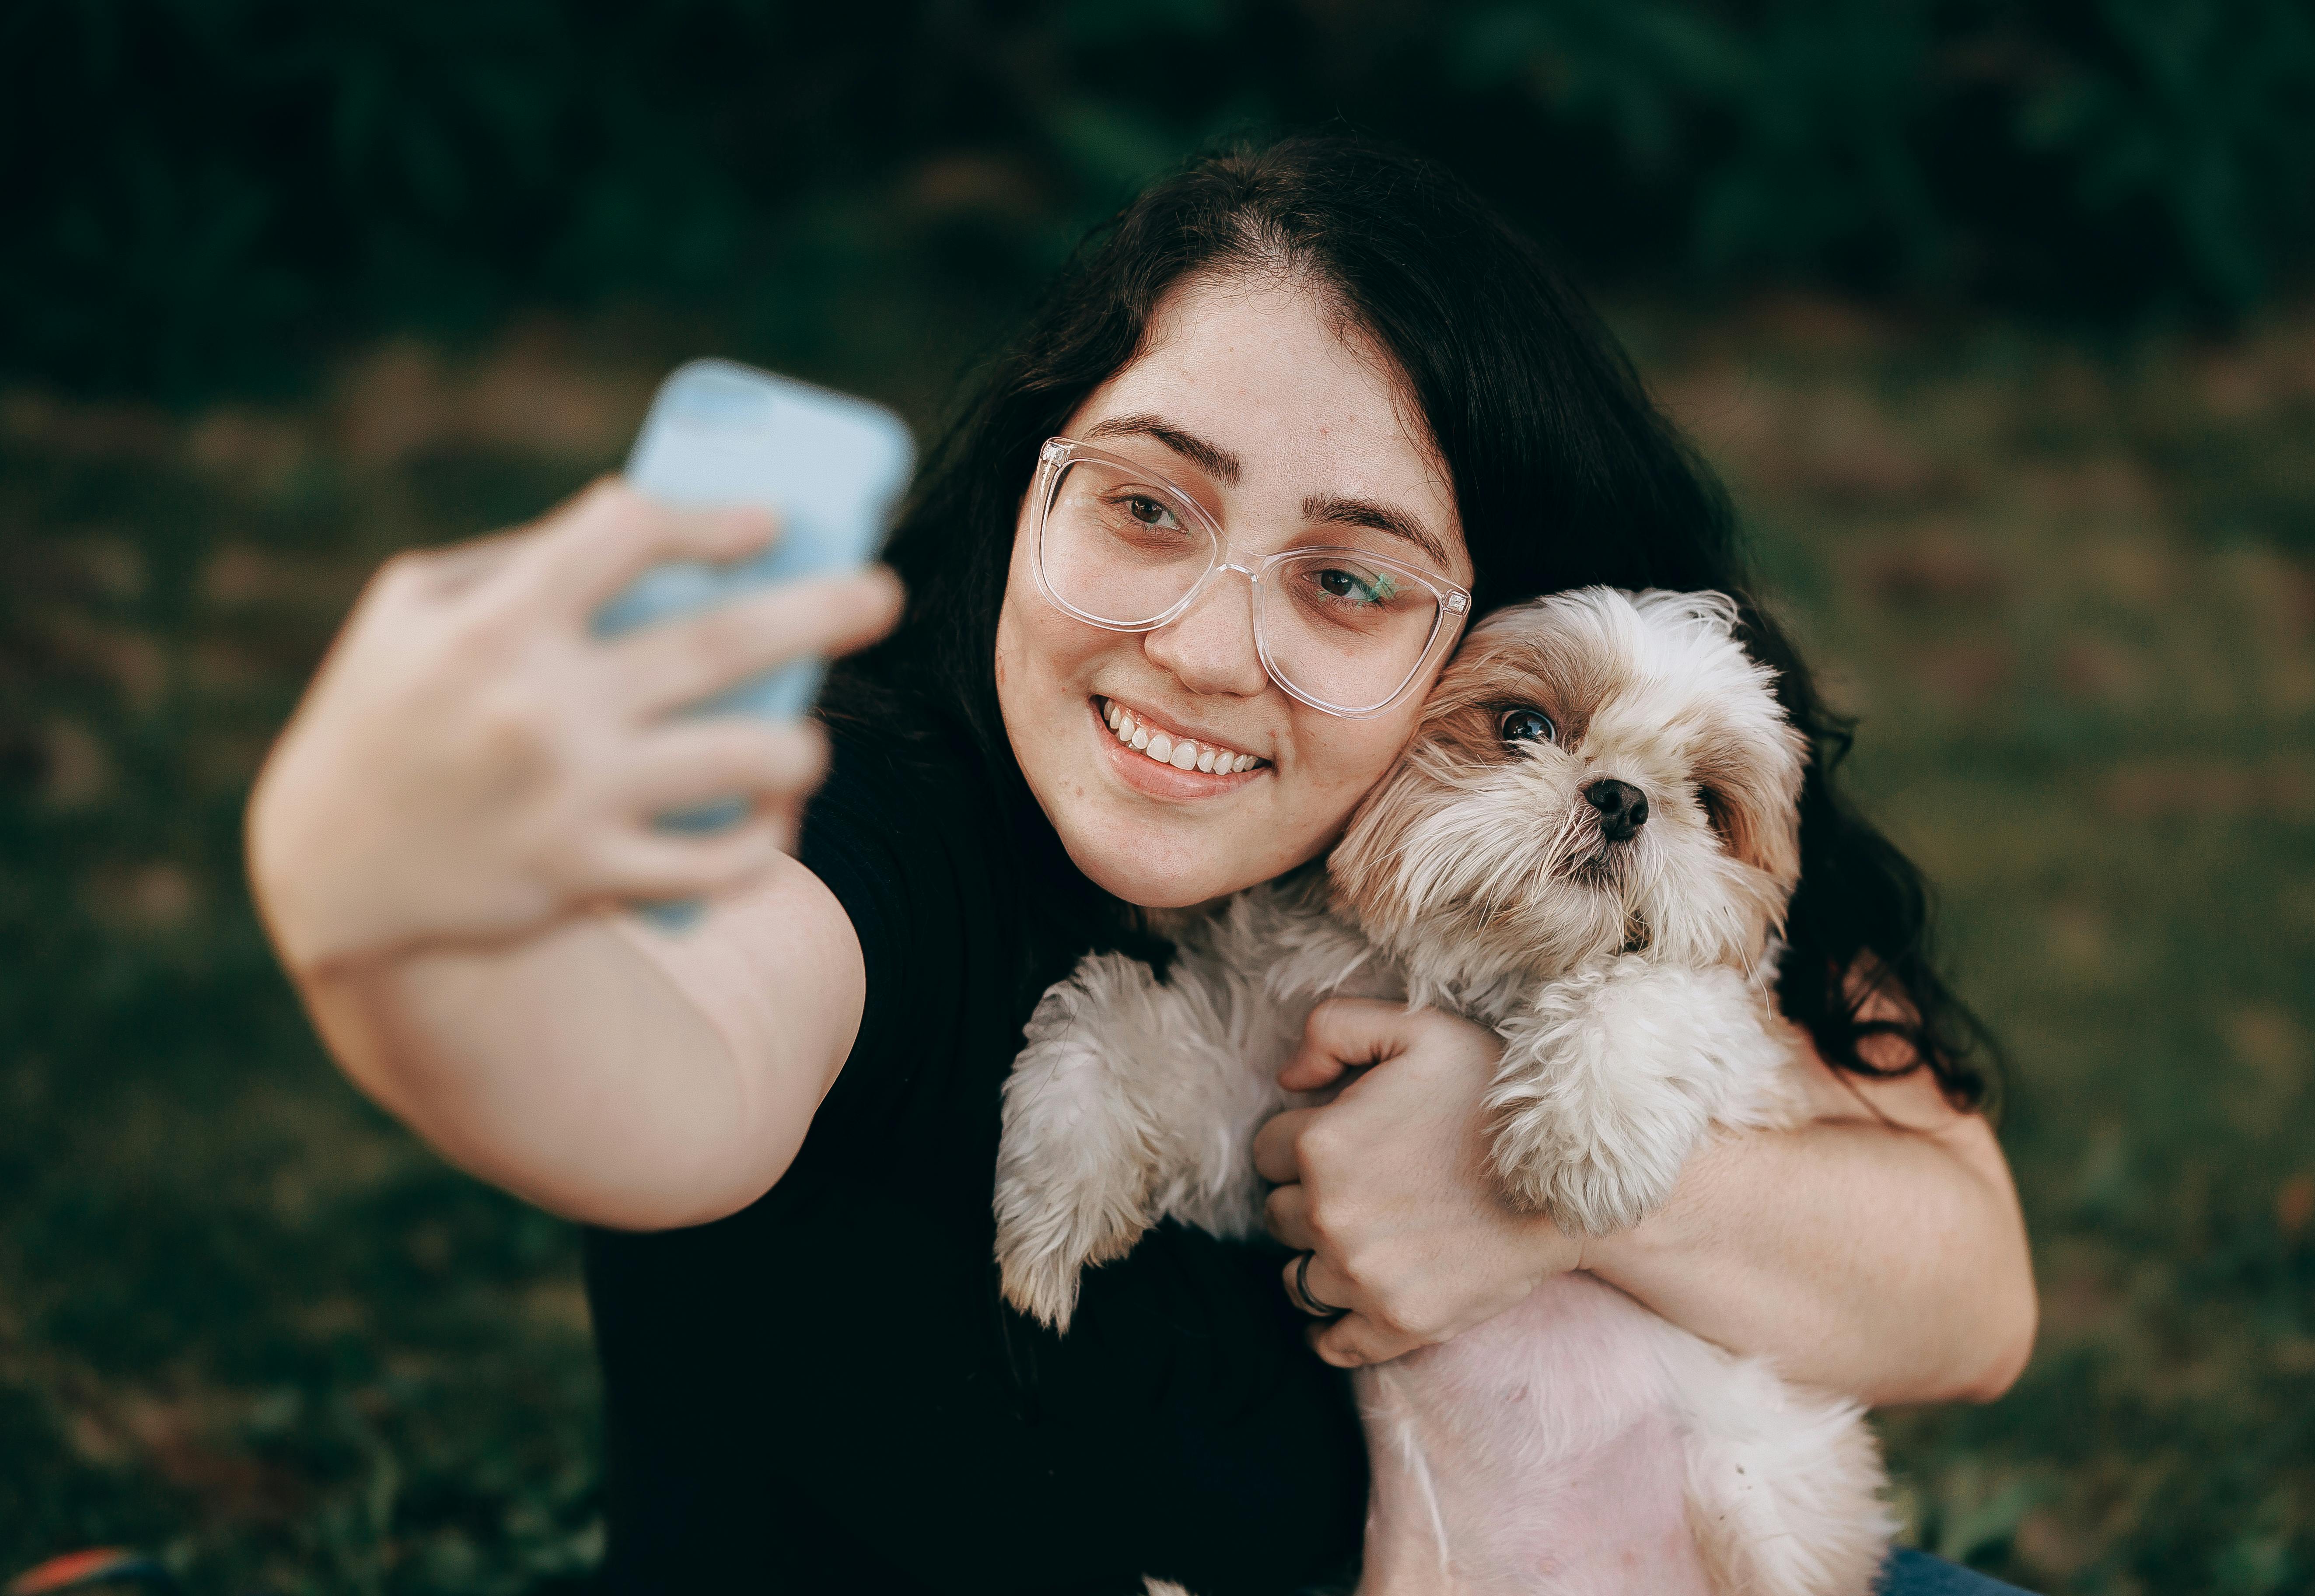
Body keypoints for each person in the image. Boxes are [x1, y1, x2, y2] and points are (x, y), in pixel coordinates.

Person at [246, 136, 2038, 1594]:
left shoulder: (1587, 856)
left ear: (1477, 640)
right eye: (1147, 504)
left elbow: (1972, 1288)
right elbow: (670, 1068)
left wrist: (1553, 1182)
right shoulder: (873, 813)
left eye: (1346, 579)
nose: (1199, 643)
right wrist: (386, 910)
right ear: (1034, 489)